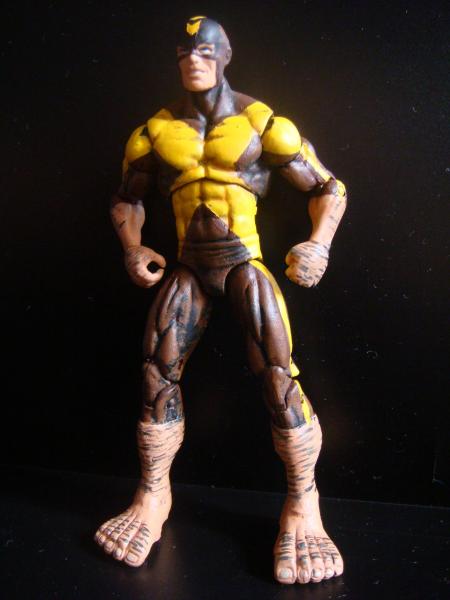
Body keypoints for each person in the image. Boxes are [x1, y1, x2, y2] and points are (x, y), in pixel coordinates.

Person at [94, 15, 347, 585]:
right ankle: (153, 495)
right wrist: (132, 248)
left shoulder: (263, 123)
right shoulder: (155, 132)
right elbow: (126, 198)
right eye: (186, 52)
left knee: (279, 376)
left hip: (243, 265)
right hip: (188, 267)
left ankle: (304, 502)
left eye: (206, 51)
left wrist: (319, 244)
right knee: (155, 372)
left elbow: (329, 187)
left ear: (225, 56)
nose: (195, 60)